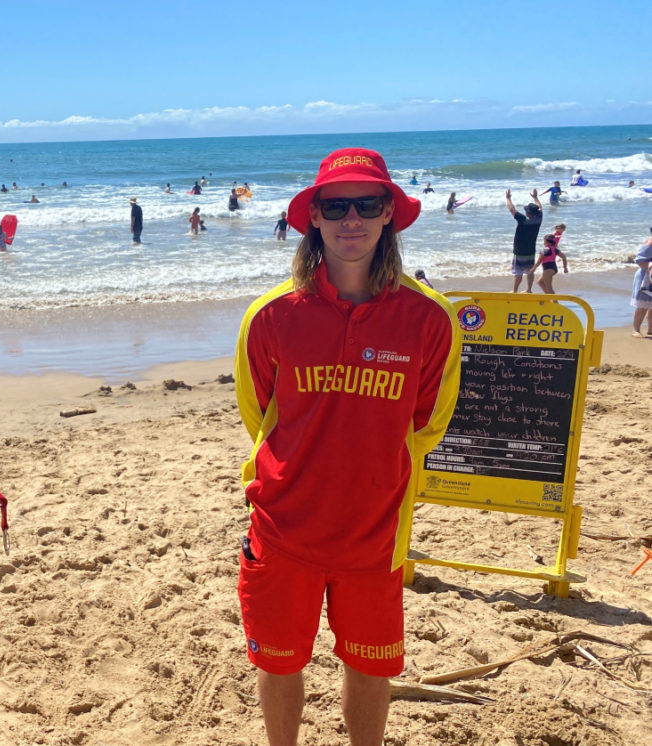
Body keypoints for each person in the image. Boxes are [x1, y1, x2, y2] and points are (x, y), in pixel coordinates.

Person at [235, 147, 460, 746]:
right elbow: (260, 416)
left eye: (368, 203)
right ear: (314, 218)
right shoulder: (271, 316)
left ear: (391, 213)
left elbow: (427, 424)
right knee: (279, 663)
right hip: (284, 530)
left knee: (370, 666)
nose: (351, 219)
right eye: (335, 206)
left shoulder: (429, 319)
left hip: (375, 534)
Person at [505, 188, 542, 293]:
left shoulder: (523, 220)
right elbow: (540, 208)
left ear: (528, 213)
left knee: (518, 272)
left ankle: (515, 291)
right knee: (530, 271)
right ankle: (529, 289)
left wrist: (508, 198)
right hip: (531, 250)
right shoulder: (539, 218)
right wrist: (535, 197)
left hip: (520, 251)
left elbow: (512, 209)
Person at [631, 228, 652, 337]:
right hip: (645, 277)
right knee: (642, 306)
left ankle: (651, 329)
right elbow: (639, 260)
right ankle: (636, 330)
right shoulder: (650, 243)